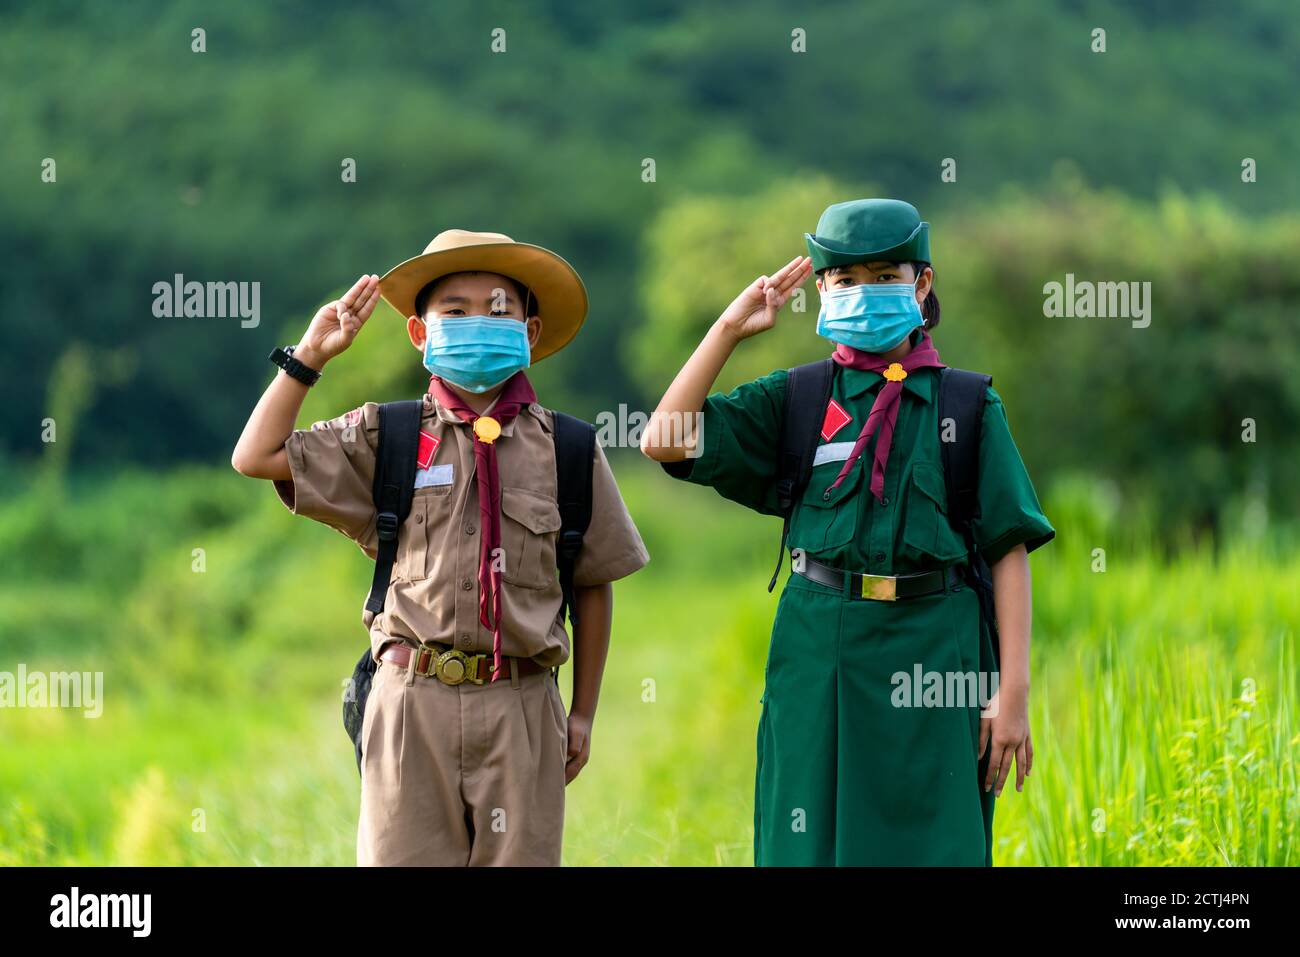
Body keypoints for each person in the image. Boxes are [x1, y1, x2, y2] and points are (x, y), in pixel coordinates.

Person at [640, 199, 1054, 865]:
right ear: (823, 291)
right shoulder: (796, 399)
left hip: (939, 649)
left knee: (938, 843)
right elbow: (663, 440)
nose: (865, 292)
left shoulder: (966, 404)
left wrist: (1013, 693)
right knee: (807, 841)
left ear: (922, 284)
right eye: (846, 278)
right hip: (819, 646)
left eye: (885, 275)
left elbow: (1007, 548)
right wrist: (726, 330)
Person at [232, 229, 649, 865]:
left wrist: (584, 713)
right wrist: (309, 357)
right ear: (420, 334)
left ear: (530, 333)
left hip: (524, 702)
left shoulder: (568, 448)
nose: (478, 321)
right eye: (454, 310)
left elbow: (593, 581)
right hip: (410, 701)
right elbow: (256, 456)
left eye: (499, 308)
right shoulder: (386, 435)